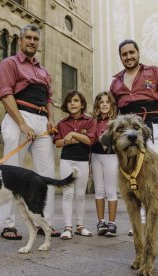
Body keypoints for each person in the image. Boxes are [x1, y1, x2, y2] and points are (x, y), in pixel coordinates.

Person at [0, 24, 60, 240]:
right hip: (19, 116)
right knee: (11, 171)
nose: (32, 41)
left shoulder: (43, 71)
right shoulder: (9, 63)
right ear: (21, 40)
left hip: (42, 121)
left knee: (47, 173)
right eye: (29, 38)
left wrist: (50, 120)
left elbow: (48, 99)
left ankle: (44, 223)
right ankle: (7, 224)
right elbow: (6, 94)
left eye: (35, 39)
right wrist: (22, 123)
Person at [110, 39, 158, 241]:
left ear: (138, 53)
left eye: (132, 52)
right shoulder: (115, 82)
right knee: (133, 176)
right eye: (124, 54)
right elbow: (114, 111)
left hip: (150, 128)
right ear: (120, 57)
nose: (129, 57)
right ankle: (141, 224)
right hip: (127, 134)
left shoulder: (154, 72)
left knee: (157, 176)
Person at [54, 90, 95, 240]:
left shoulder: (89, 121)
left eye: (76, 100)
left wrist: (72, 135)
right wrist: (68, 140)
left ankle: (80, 226)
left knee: (80, 195)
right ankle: (67, 227)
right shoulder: (62, 123)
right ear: (66, 105)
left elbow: (90, 141)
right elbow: (58, 143)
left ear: (82, 104)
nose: (73, 103)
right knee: (68, 194)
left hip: (82, 161)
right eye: (70, 101)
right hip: (67, 160)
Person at [91, 92, 119, 237]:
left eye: (107, 102)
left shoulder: (115, 121)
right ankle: (101, 222)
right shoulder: (93, 121)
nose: (104, 104)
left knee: (111, 191)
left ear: (112, 105)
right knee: (99, 190)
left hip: (111, 157)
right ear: (97, 105)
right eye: (101, 102)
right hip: (96, 157)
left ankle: (112, 224)